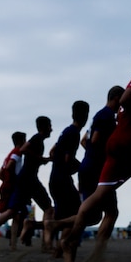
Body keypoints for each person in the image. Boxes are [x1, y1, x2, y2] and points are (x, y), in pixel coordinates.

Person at [61, 45, 131, 262]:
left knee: (99, 197)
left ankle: (70, 240)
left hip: (118, 143)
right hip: (129, 144)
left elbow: (125, 112)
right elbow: (126, 100)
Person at [43, 86, 124, 254]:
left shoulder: (70, 129)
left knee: (89, 214)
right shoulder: (104, 117)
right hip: (83, 174)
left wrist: (80, 164)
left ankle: (60, 247)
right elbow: (92, 142)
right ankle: (84, 248)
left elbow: (55, 151)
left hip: (67, 174)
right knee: (90, 213)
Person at [46, 100, 89, 252]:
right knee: (78, 213)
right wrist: (82, 166)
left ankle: (58, 248)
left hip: (54, 177)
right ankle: (61, 240)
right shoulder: (74, 134)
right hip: (62, 179)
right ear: (86, 116)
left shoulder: (65, 131)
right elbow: (67, 159)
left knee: (66, 214)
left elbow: (52, 152)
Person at [7, 116, 56, 249]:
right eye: (50, 126)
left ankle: (16, 240)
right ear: (44, 127)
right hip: (29, 179)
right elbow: (23, 150)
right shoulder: (37, 138)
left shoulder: (39, 140)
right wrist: (40, 157)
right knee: (48, 209)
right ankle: (46, 244)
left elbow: (31, 157)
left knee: (13, 212)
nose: (51, 129)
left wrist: (44, 160)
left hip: (26, 179)